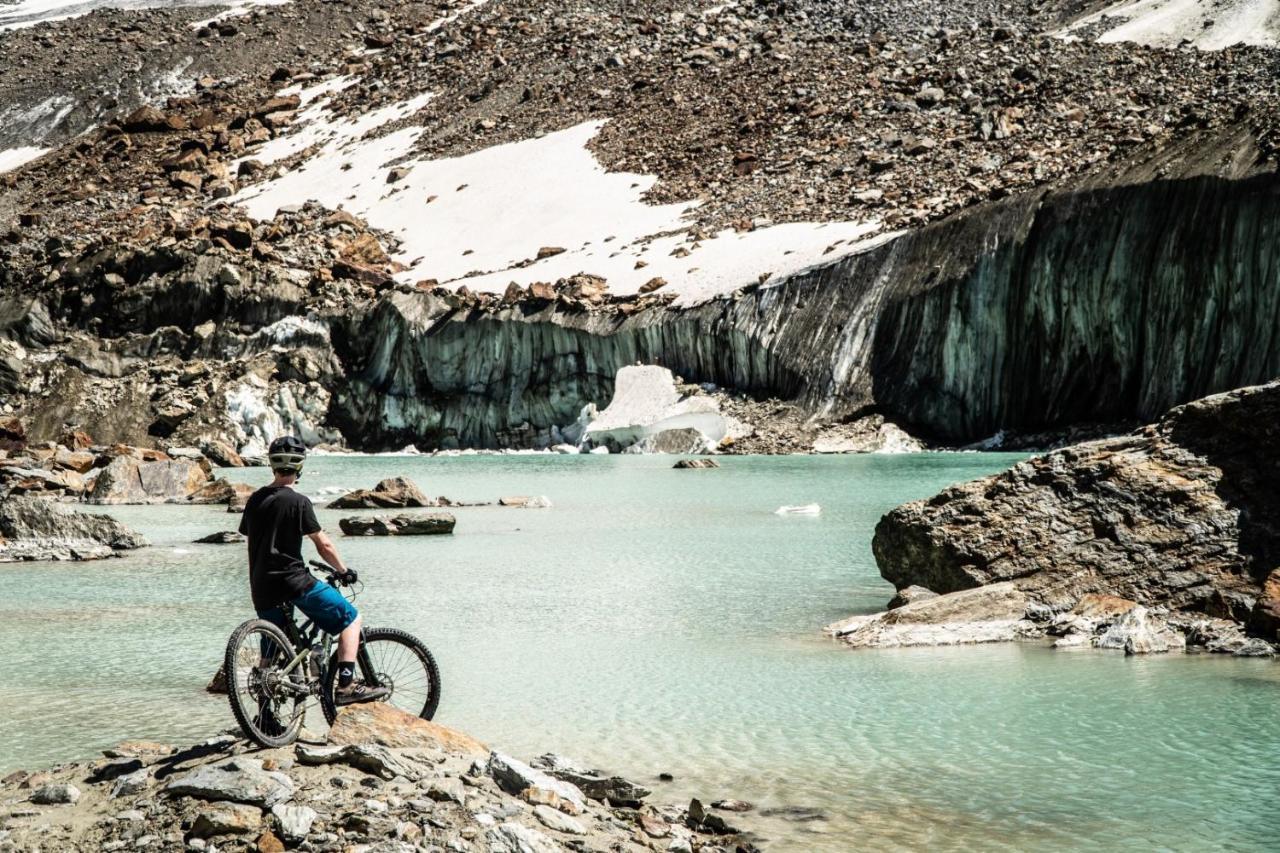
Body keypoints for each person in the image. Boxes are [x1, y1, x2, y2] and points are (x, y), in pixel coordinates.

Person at [238, 435, 388, 705]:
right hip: (293, 581)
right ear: (300, 467)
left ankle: (265, 714)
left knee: (273, 646)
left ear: (272, 466)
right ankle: (346, 684)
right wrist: (343, 570)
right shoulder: (298, 502)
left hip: (260, 584)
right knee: (351, 619)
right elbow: (324, 544)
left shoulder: (254, 500)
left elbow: (253, 545)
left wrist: (257, 580)